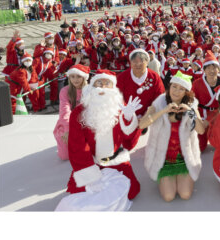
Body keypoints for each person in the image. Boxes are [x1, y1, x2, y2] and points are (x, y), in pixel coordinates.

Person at [65, 69, 143, 201]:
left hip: (116, 159)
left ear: (113, 88)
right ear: (92, 86)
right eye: (99, 82)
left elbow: (129, 142)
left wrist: (129, 119)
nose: (102, 86)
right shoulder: (79, 113)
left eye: (107, 83)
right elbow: (77, 147)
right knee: (81, 194)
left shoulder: (121, 108)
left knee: (131, 191)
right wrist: (91, 175)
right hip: (91, 162)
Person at [137, 72, 206, 202]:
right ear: (169, 87)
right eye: (175, 86)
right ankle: (166, 176)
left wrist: (190, 112)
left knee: (185, 194)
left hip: (184, 157)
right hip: (163, 158)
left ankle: (180, 176)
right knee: (169, 197)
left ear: (186, 92)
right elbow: (142, 125)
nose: (177, 91)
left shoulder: (191, 105)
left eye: (181, 89)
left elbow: (201, 130)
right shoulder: (158, 103)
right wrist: (163, 111)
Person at [116, 48, 166, 125]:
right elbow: (117, 97)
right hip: (125, 117)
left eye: (141, 61)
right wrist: (127, 113)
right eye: (135, 62)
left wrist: (147, 115)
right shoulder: (122, 77)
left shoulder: (154, 77)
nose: (138, 64)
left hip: (149, 118)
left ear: (147, 62)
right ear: (130, 63)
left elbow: (159, 97)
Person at [54, 64, 89, 160]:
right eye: (72, 77)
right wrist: (67, 130)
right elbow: (64, 111)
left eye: (78, 76)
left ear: (84, 77)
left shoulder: (90, 90)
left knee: (86, 152)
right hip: (68, 123)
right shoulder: (65, 91)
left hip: (85, 124)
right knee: (64, 156)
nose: (75, 80)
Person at [191, 52, 220, 152]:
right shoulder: (197, 83)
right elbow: (191, 102)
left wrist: (209, 119)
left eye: (214, 67)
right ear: (204, 70)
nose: (211, 71)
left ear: (218, 69)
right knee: (200, 147)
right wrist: (197, 119)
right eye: (208, 68)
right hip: (201, 115)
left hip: (218, 116)